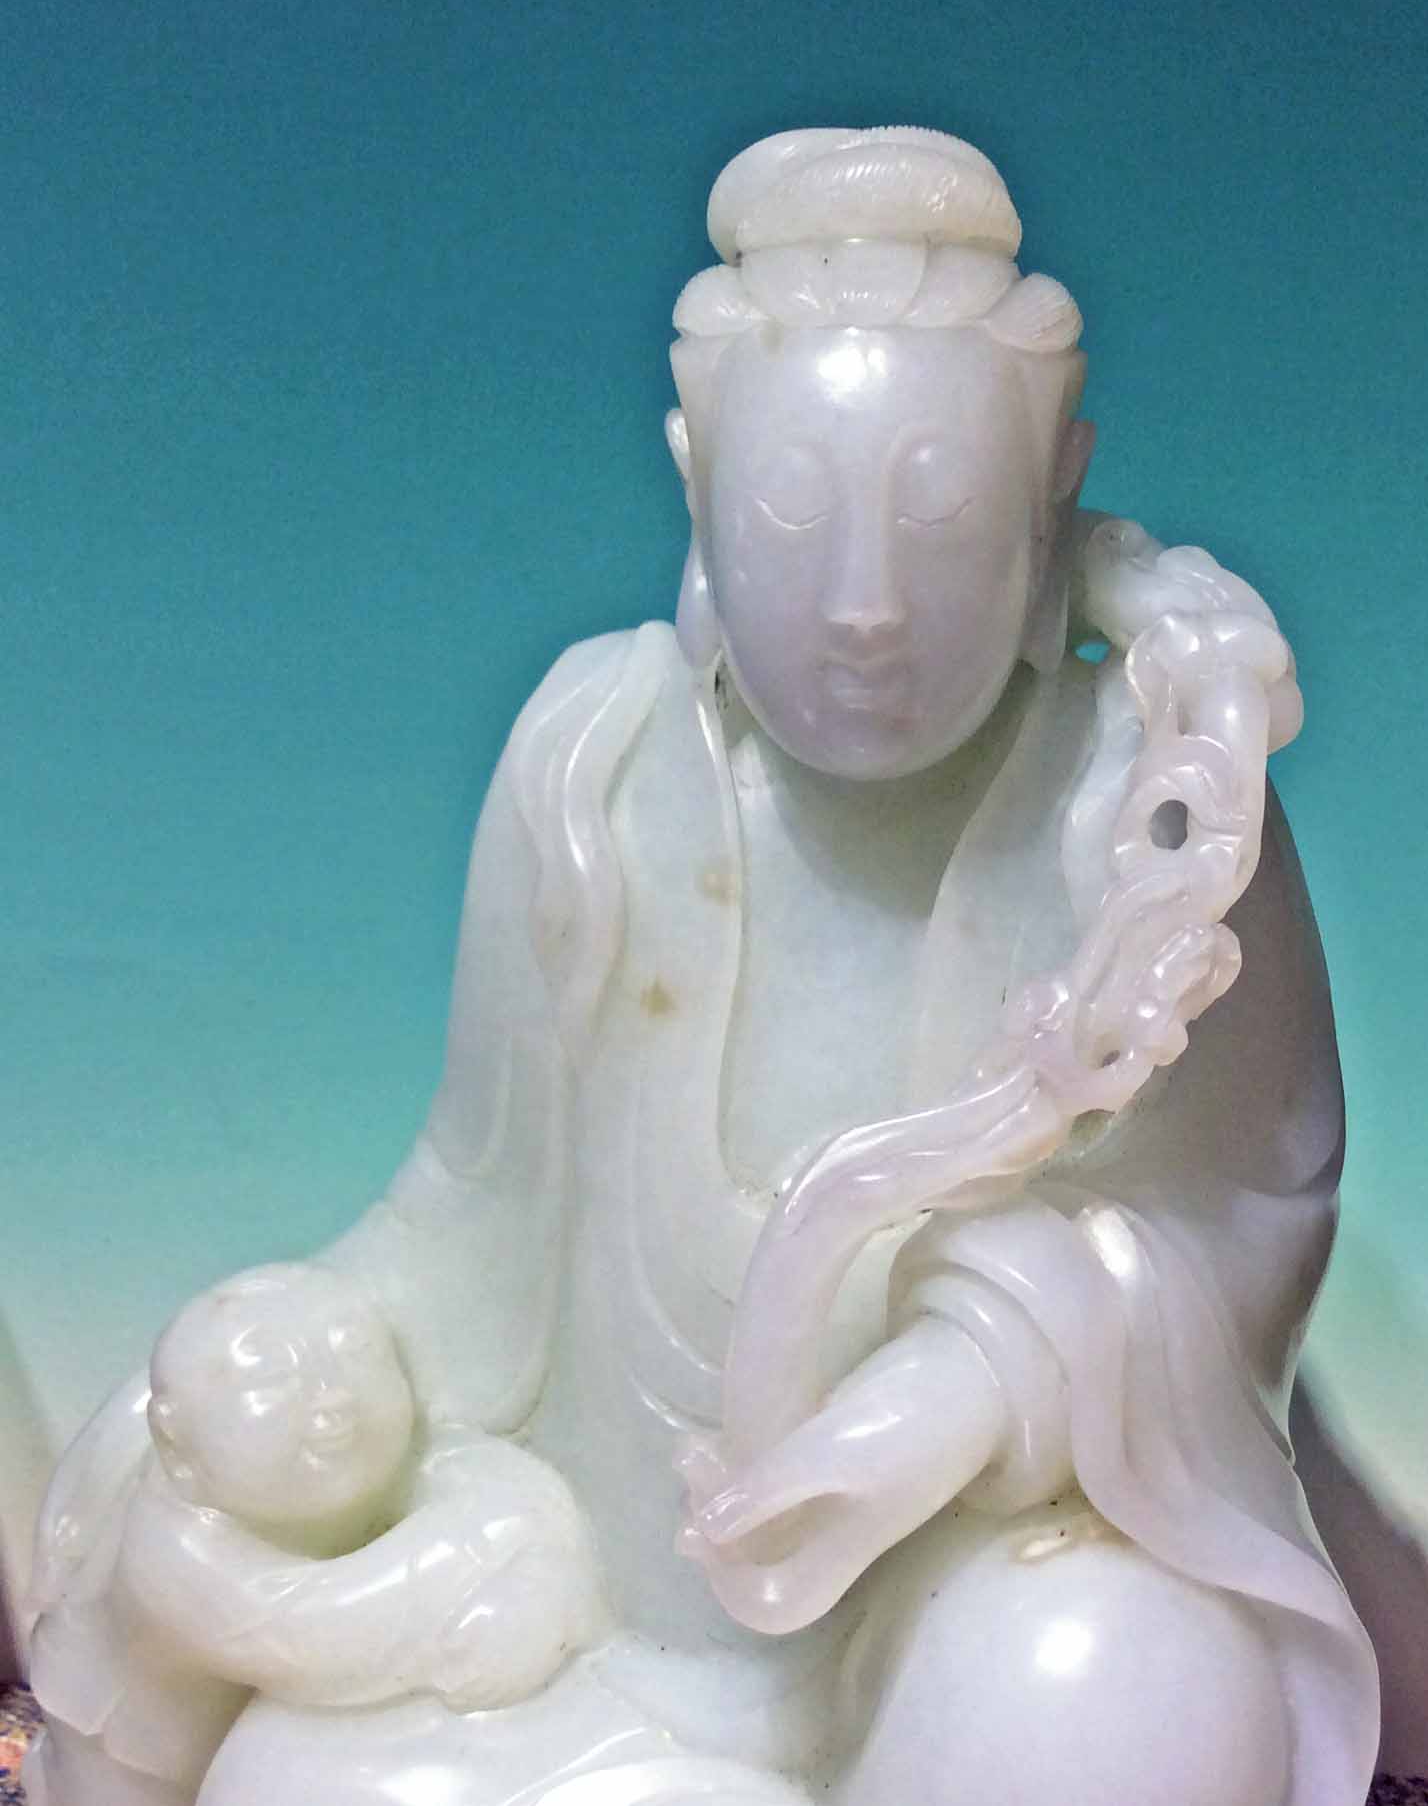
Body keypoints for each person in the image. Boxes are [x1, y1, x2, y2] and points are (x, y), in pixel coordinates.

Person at [32, 128, 1379, 1806]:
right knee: (298, 1779)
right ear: (695, 487)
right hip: (607, 1622)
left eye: (940, 514)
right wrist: (267, 1364)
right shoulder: (589, 767)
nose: (865, 607)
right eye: (792, 513)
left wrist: (962, 1395)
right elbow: (476, 1202)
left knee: (1117, 1682)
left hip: (950, 1598)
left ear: (1054, 487)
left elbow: (1242, 1217)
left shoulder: (1152, 807)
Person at [26, 1263, 605, 1805]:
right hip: (123, 1737)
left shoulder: (397, 1460)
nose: (333, 1397)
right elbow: (330, 1635)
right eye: (272, 1378)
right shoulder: (173, 1555)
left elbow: (511, 1486)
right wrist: (503, 1547)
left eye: (355, 1353)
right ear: (177, 1443)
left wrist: (537, 1581)